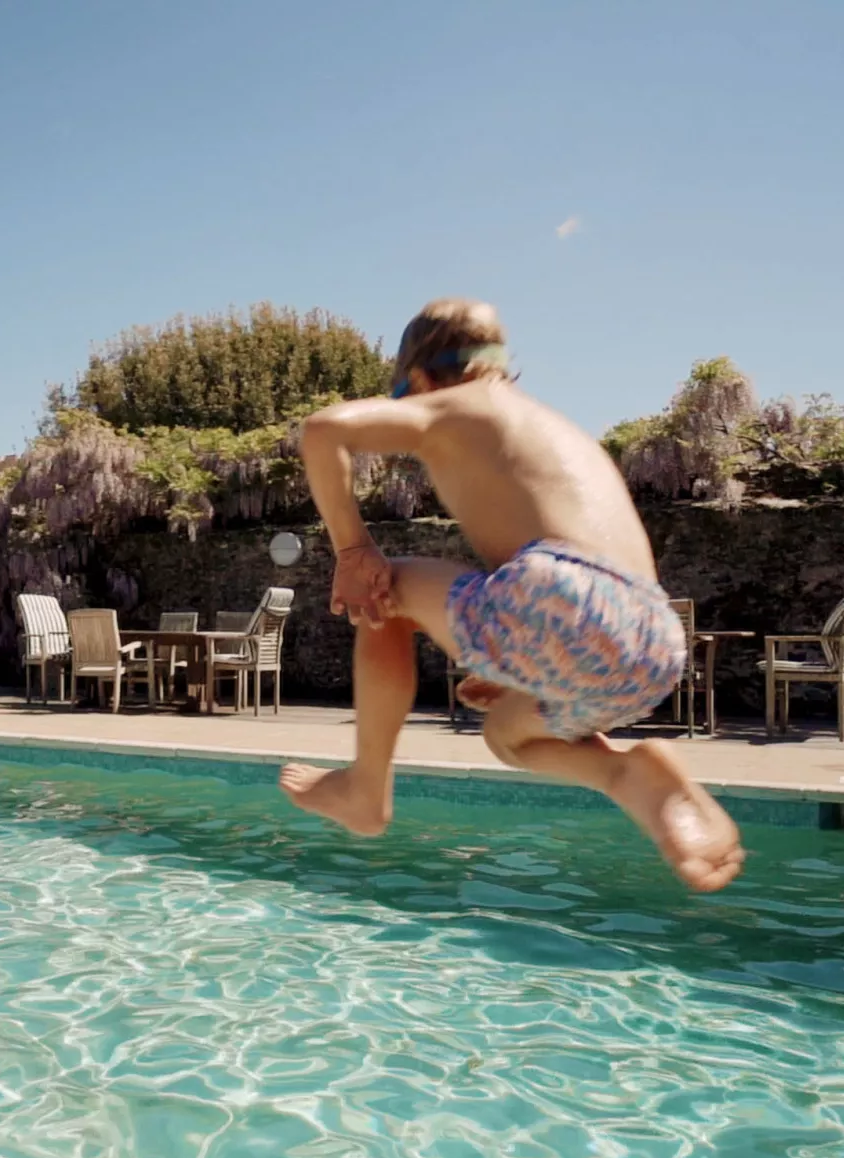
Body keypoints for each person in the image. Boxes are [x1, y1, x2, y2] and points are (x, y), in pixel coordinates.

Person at [278, 298, 745, 892]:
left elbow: (324, 430)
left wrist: (352, 550)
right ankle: (628, 776)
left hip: (561, 598)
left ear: (420, 379)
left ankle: (365, 788)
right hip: (652, 644)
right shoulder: (560, 429)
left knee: (380, 593)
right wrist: (527, 663)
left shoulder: (455, 405)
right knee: (507, 735)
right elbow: (592, 603)